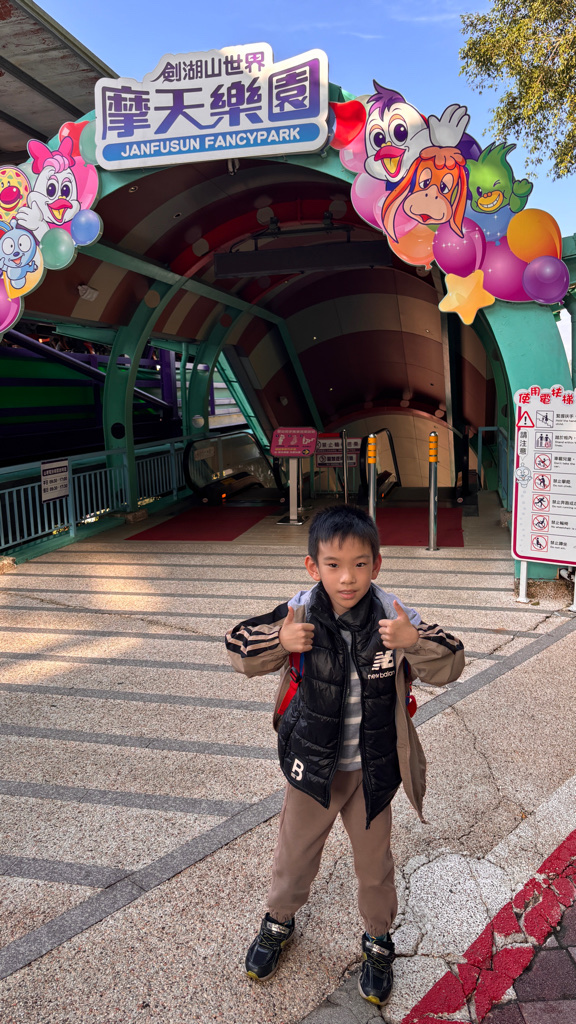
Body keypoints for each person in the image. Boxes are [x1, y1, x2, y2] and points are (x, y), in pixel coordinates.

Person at [225, 504, 465, 1006]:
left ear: (376, 563)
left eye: (359, 564)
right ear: (312, 567)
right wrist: (280, 639)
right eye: (333, 565)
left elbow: (452, 661)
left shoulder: (394, 613)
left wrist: (413, 641)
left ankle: (378, 939)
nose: (347, 577)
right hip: (313, 765)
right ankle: (279, 922)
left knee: (375, 868)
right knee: (293, 858)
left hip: (372, 769)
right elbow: (237, 647)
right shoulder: (299, 610)